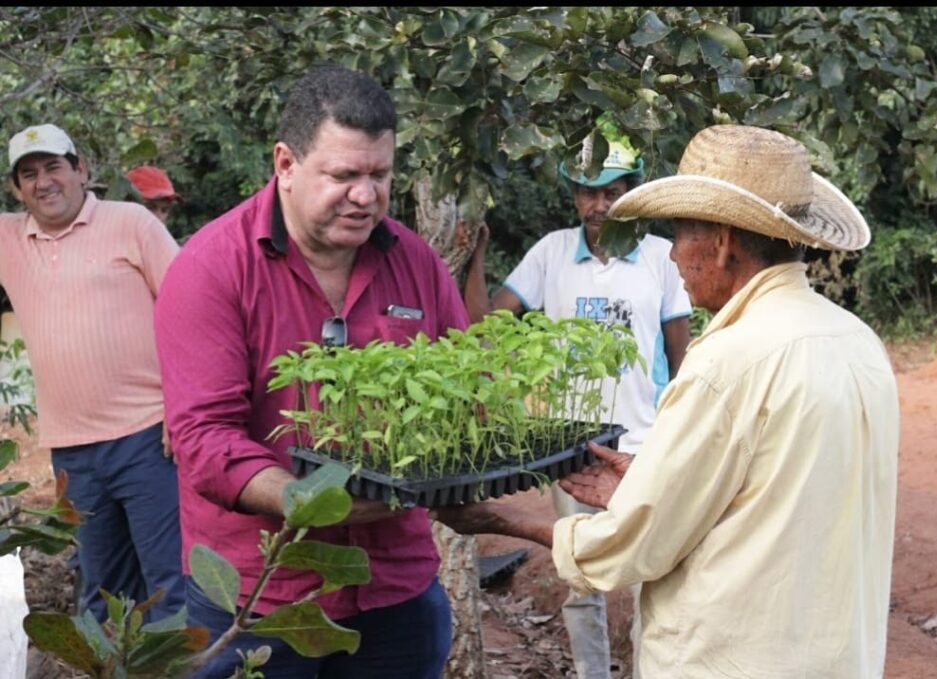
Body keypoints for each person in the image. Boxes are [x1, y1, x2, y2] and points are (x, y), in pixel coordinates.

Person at [436, 124, 900, 678]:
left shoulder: (729, 360)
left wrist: (505, 519)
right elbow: (766, 497)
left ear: (724, 242)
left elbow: (636, 546)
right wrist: (650, 483)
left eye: (681, 232)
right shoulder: (856, 340)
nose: (675, 254)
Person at [153, 66, 466, 678]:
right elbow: (203, 438)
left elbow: (464, 396)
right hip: (257, 601)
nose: (366, 195)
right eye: (344, 175)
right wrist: (305, 501)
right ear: (286, 165)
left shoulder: (418, 265)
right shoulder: (212, 268)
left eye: (380, 175)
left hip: (394, 587)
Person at [462, 123, 692, 679]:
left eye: (612, 191)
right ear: (573, 195)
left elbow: (682, 358)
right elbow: (484, 327)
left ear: (633, 193)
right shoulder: (552, 254)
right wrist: (474, 255)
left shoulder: (663, 258)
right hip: (572, 451)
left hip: (644, 446)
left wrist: (681, 436)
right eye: (588, 191)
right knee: (580, 578)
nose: (599, 203)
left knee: (649, 583)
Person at [0, 123, 185, 623]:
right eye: (29, 174)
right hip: (72, 454)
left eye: (54, 167)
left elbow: (191, 312)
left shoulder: (131, 223)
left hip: (149, 438)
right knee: (101, 592)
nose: (44, 182)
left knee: (171, 586)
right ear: (17, 190)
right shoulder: (9, 238)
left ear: (81, 170)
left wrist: (184, 407)